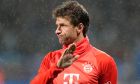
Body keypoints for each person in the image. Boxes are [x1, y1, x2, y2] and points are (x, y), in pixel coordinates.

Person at [30, 0, 118, 84]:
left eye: (63, 25)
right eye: (57, 26)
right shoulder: (51, 59)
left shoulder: (104, 61)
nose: (57, 31)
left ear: (79, 28)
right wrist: (57, 68)